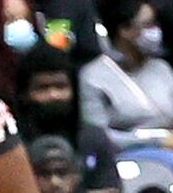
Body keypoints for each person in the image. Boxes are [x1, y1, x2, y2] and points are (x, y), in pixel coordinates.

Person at [79, 0, 173, 164]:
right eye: (148, 25)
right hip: (129, 155)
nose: (156, 32)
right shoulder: (93, 76)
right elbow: (100, 137)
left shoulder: (162, 68)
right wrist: (158, 141)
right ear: (125, 30)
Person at [14, 46, 116, 193]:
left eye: (60, 86)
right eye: (43, 88)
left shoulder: (94, 138)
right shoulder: (11, 142)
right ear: (25, 94)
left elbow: (109, 189)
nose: (53, 95)